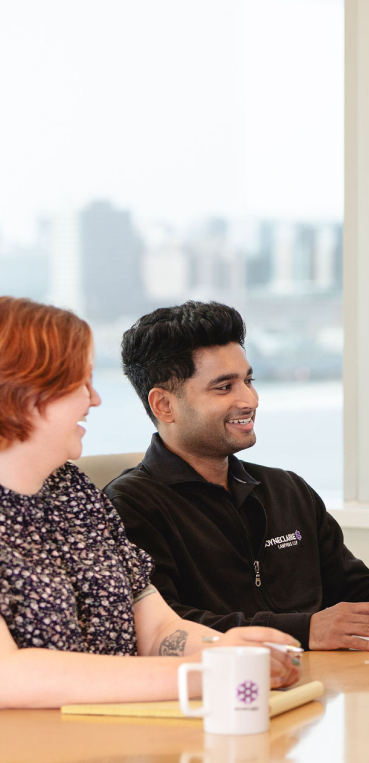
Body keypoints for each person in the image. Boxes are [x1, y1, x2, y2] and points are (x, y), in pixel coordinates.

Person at [105, 301, 369, 652]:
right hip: (221, 695)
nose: (250, 399)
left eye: (249, 380)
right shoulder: (127, 507)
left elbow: (351, 584)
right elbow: (164, 627)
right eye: (224, 387)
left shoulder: (286, 490)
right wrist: (305, 630)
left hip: (321, 689)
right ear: (163, 405)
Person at [0, 297, 301, 709]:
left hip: (119, 734)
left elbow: (158, 631)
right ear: (22, 392)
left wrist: (227, 648)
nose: (94, 400)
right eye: (78, 383)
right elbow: (10, 677)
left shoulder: (75, 493)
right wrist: (207, 673)